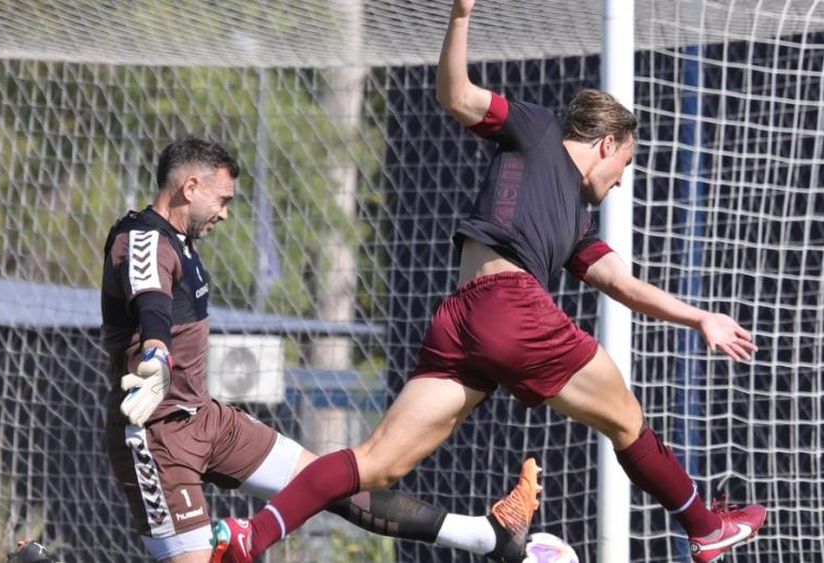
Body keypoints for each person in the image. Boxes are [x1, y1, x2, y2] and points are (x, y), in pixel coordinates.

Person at [209, 1, 768, 562]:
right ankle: (705, 526)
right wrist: (459, 17)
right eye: (625, 164)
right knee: (626, 418)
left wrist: (697, 316)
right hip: (510, 307)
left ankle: (250, 539)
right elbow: (457, 95)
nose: (621, 181)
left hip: (461, 323)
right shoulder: (539, 129)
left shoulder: (575, 220)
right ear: (607, 144)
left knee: (378, 461)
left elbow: (621, 282)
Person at [101, 136, 544, 563]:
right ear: (189, 187)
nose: (226, 214)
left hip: (207, 420)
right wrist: (156, 353)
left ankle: (487, 535)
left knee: (327, 484)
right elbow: (151, 302)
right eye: (223, 200)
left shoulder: (181, 241)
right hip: (158, 435)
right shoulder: (143, 238)